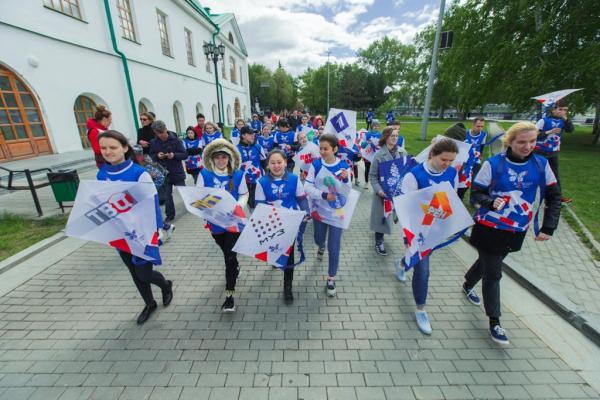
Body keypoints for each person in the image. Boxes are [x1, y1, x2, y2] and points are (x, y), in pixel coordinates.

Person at [463, 121, 561, 345]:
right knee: (494, 273)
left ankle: (468, 283)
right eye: (522, 142)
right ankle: (494, 321)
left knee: (489, 262)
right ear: (509, 142)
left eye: (533, 141)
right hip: (489, 227)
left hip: (517, 228)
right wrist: (490, 201)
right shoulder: (493, 164)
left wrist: (548, 227)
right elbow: (476, 195)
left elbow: (554, 196)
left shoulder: (541, 164)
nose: (528, 146)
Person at [97, 130, 173, 324]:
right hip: (119, 233)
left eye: (113, 147)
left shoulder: (139, 173)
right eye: (103, 148)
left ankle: (165, 285)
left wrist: (158, 230)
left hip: (142, 233)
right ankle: (149, 303)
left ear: (124, 148)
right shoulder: (101, 174)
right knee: (133, 272)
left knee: (144, 272)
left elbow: (152, 203)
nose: (108, 151)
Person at [399, 138, 460, 335]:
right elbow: (404, 207)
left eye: (451, 160)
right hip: (416, 230)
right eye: (444, 159)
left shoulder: (451, 173)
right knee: (423, 269)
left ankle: (401, 264)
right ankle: (421, 309)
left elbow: (451, 198)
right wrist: (408, 234)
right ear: (432, 155)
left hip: (434, 228)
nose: (448, 164)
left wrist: (447, 219)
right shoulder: (414, 175)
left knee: (416, 261)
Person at [196, 139, 248, 312]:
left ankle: (229, 295)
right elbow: (199, 198)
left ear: (229, 158)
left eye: (224, 157)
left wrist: (237, 206)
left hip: (233, 223)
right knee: (225, 250)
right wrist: (204, 214)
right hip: (215, 223)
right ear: (212, 158)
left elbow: (244, 194)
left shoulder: (238, 174)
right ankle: (235, 265)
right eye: (217, 157)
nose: (220, 160)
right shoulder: (204, 175)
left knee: (229, 258)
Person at [255, 149, 307, 304]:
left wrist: (306, 213)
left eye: (279, 162)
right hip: (272, 224)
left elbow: (302, 199)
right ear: (268, 165)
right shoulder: (261, 182)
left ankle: (287, 287)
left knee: (289, 255)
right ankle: (275, 259)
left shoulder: (294, 179)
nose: (276, 166)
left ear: (285, 162)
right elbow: (260, 206)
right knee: (275, 249)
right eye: (273, 163)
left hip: (290, 224)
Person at [304, 134, 352, 297]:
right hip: (320, 211)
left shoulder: (344, 166)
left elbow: (348, 191)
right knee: (318, 239)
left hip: (337, 212)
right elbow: (307, 187)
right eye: (321, 148)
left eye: (326, 149)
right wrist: (324, 195)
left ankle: (331, 278)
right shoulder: (316, 165)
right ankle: (320, 246)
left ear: (335, 149)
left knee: (334, 247)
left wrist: (346, 180)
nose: (322, 152)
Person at [369, 127, 408, 256]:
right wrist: (379, 191)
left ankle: (396, 217)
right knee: (381, 218)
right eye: (392, 136)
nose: (395, 138)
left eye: (397, 136)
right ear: (385, 137)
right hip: (383, 194)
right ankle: (379, 241)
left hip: (397, 192)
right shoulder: (379, 155)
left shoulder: (402, 153)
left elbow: (406, 171)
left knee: (395, 215)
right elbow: (373, 176)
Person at [534, 99, 574, 203]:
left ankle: (557, 196)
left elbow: (570, 130)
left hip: (553, 152)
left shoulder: (563, 122)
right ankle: (529, 193)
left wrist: (566, 120)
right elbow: (533, 135)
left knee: (555, 175)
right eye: (560, 109)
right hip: (540, 151)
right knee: (536, 173)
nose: (563, 112)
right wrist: (548, 132)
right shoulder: (544, 120)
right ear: (553, 110)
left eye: (565, 110)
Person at [149, 120, 187, 229]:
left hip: (177, 171)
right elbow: (151, 156)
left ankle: (191, 206)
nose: (161, 135)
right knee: (167, 195)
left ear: (166, 129)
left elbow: (184, 154)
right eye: (158, 133)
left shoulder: (176, 139)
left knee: (184, 191)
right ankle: (170, 215)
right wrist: (157, 156)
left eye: (162, 132)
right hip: (164, 172)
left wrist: (173, 155)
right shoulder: (154, 142)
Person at [457, 117, 488, 200]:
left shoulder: (483, 134)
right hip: (466, 160)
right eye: (478, 126)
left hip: (476, 160)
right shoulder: (465, 134)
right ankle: (459, 197)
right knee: (464, 179)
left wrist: (479, 156)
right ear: (473, 124)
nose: (480, 128)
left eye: (482, 126)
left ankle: (473, 200)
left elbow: (481, 146)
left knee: (476, 181)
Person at [237, 126, 263, 209]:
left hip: (258, 181)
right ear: (243, 135)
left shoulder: (258, 147)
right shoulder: (236, 149)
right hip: (244, 182)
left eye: (253, 134)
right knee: (249, 204)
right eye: (250, 134)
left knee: (258, 204)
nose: (253, 136)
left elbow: (265, 163)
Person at [361, 120, 381, 188]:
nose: (376, 127)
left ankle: (377, 184)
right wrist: (367, 142)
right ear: (372, 126)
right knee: (367, 169)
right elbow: (362, 145)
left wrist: (379, 144)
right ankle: (366, 183)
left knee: (377, 170)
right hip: (368, 155)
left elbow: (383, 145)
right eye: (375, 126)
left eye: (377, 126)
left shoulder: (380, 135)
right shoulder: (367, 134)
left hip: (376, 155)